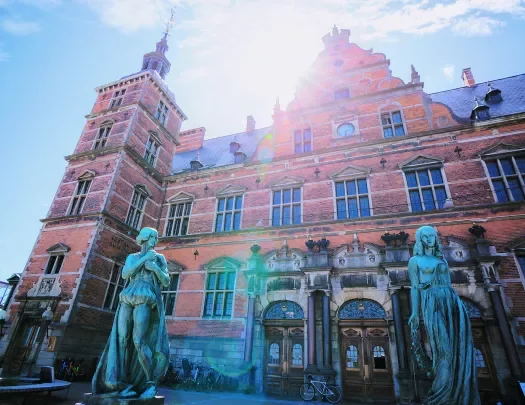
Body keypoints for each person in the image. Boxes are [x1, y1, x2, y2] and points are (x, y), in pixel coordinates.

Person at [92, 227, 170, 399]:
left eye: (156, 238)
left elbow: (166, 281)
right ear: (145, 238)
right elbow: (126, 274)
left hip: (145, 298)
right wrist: (144, 261)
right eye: (153, 238)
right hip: (128, 297)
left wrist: (155, 268)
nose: (155, 241)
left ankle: (150, 384)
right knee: (122, 340)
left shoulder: (159, 258)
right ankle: (122, 382)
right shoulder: (132, 257)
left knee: (139, 340)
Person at [408, 225, 480, 405]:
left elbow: (448, 284)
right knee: (443, 349)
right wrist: (415, 312)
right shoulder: (415, 261)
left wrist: (459, 304)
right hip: (430, 301)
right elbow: (415, 287)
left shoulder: (442, 261)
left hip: (450, 301)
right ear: (420, 240)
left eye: (432, 235)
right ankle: (443, 393)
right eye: (425, 236)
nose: (430, 239)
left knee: (459, 344)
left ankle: (459, 390)